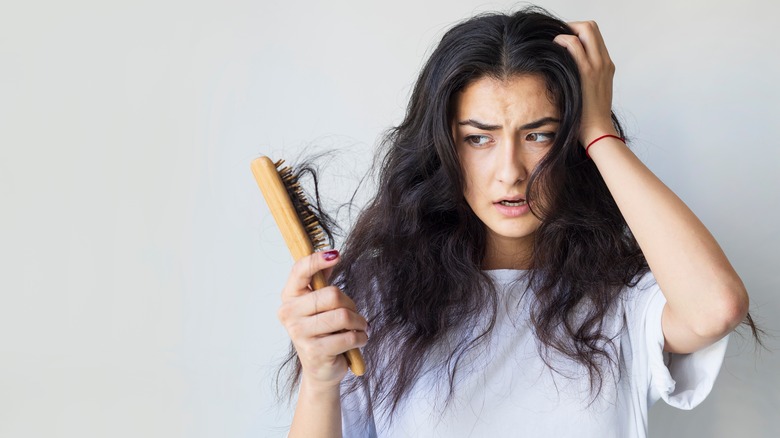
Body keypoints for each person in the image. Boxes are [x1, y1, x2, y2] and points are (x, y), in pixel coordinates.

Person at [274, 6, 755, 437]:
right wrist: (318, 379)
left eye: (540, 135)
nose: (511, 173)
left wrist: (598, 128)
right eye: (478, 139)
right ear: (443, 147)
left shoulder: (624, 299)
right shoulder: (378, 299)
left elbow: (716, 307)